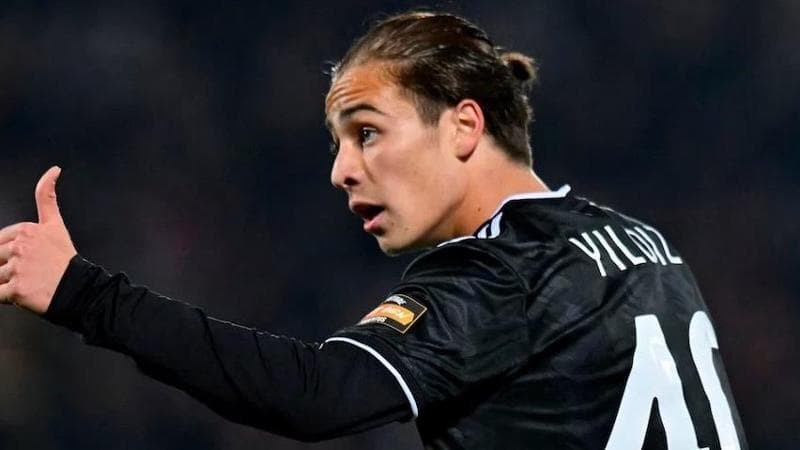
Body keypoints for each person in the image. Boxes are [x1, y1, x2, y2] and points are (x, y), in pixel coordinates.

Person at [0, 11, 747, 449]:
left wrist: (84, 294)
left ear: (462, 125)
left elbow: (318, 394)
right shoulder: (643, 242)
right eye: (336, 143)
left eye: (365, 132)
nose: (341, 171)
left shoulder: (499, 270)